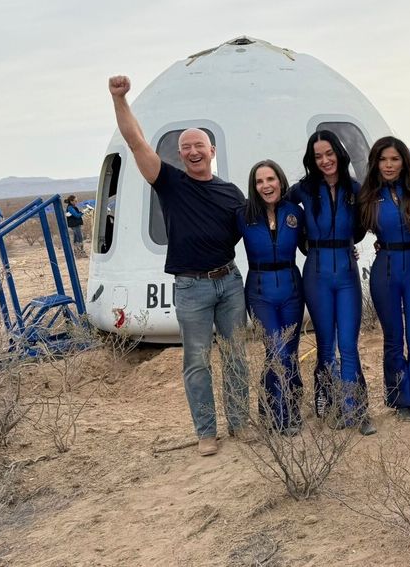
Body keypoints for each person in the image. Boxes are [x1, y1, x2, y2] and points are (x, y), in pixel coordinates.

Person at [108, 75, 248, 457]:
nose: (192, 151)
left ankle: (240, 423)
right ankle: (206, 432)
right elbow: (135, 142)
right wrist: (119, 99)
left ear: (212, 150)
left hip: (229, 282)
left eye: (199, 145)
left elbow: (251, 232)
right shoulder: (169, 183)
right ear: (180, 154)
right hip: (191, 287)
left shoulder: (231, 193)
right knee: (197, 361)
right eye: (186, 147)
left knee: (236, 355)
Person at [287, 130, 376, 436]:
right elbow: (282, 212)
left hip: (347, 274)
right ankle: (329, 405)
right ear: (312, 160)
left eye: (329, 153)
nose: (325, 160)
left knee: (349, 345)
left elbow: (361, 226)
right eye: (318, 156)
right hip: (317, 275)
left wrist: (350, 243)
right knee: (326, 346)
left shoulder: (354, 189)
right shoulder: (303, 190)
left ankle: (355, 410)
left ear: (339, 153)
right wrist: (303, 243)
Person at [358, 137, 410, 422]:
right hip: (385, 269)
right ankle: (400, 400)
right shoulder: (368, 195)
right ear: (375, 163)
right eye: (383, 160)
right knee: (392, 338)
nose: (388, 165)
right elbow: (350, 230)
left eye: (394, 159)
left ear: (404, 162)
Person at [237, 160, 305, 435]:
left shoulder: (295, 213)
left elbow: (311, 244)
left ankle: (286, 407)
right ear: (253, 187)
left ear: (280, 181)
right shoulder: (243, 215)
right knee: (276, 350)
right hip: (260, 291)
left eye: (270, 179)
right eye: (259, 181)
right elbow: (218, 242)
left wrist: (349, 249)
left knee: (289, 351)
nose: (266, 186)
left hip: (292, 289)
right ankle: (280, 416)